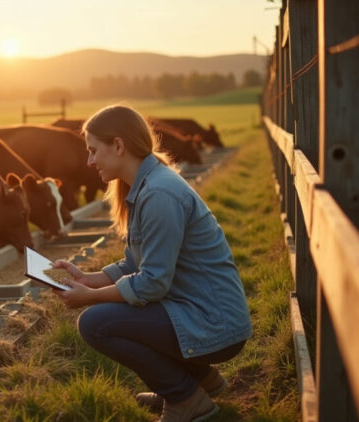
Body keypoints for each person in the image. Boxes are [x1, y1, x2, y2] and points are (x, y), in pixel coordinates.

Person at [51, 105, 251, 422]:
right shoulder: (148, 185)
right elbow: (136, 263)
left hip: (215, 322)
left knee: (95, 323)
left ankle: (186, 398)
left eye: (93, 150)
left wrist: (90, 298)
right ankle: (198, 379)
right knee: (116, 313)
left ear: (118, 146)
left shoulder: (159, 194)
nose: (89, 161)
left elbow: (152, 283)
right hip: (197, 310)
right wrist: (89, 279)